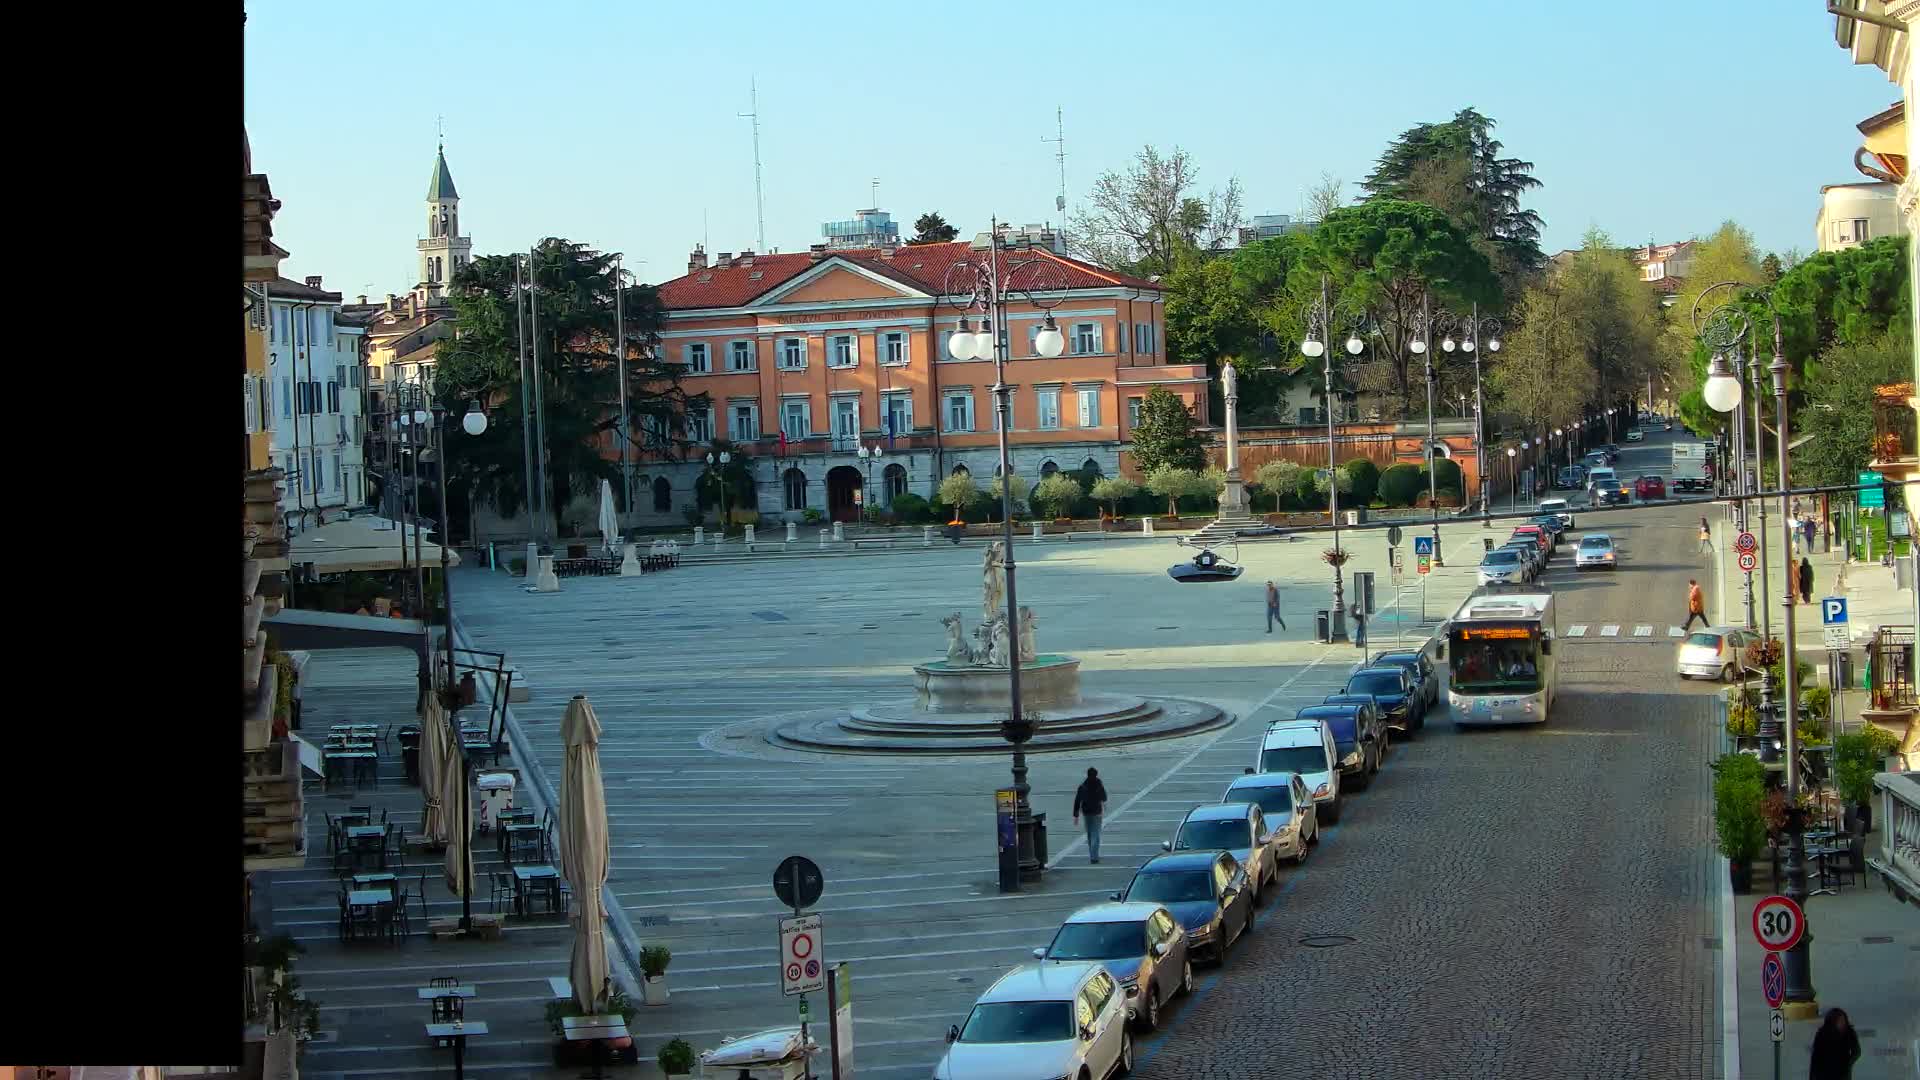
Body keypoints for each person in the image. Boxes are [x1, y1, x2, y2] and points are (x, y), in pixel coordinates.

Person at [1808, 1007, 1861, 1079]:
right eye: (1839, 1021)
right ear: (1832, 1021)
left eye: (1844, 1020)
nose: (1842, 1023)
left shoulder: (1849, 1032)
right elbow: (1815, 1057)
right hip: (1824, 1072)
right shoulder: (1822, 1034)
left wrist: (1848, 1064)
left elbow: (1857, 1052)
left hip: (1842, 1073)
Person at [1072, 767, 1108, 863]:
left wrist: (1076, 815)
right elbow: (1104, 797)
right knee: (1095, 834)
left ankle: (1092, 854)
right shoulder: (1099, 784)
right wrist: (1103, 803)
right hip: (1097, 812)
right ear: (1096, 774)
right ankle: (1094, 857)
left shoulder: (1083, 786)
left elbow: (1077, 801)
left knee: (1089, 834)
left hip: (1086, 813)